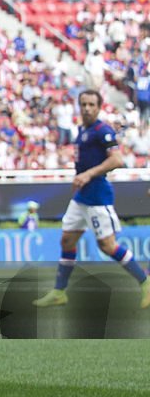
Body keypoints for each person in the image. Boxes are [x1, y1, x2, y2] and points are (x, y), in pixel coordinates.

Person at [34, 90, 150, 309]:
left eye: (91, 104)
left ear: (99, 107)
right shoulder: (82, 131)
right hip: (81, 198)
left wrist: (88, 174)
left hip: (98, 197)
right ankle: (59, 292)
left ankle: (145, 281)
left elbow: (117, 160)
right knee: (67, 240)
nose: (87, 108)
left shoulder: (102, 130)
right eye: (83, 104)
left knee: (107, 246)